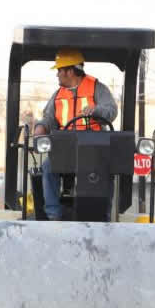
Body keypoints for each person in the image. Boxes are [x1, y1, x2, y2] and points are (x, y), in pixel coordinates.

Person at [32, 48, 119, 220]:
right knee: (48, 167)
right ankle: (53, 215)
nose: (57, 75)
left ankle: (103, 216)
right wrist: (40, 128)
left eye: (59, 71)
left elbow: (112, 110)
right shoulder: (57, 95)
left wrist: (96, 110)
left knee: (107, 170)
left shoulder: (97, 88)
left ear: (70, 71)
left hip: (94, 147)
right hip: (67, 147)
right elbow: (49, 118)